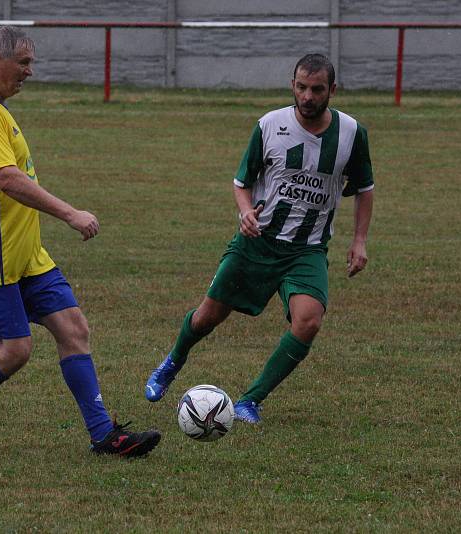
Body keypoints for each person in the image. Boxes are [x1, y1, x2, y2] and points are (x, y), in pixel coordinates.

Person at [0, 26, 160, 456]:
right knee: (14, 351)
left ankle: (104, 435)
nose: (30, 72)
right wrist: (70, 213)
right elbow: (7, 179)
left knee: (74, 329)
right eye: (25, 63)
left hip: (26, 255)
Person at [145, 54, 374, 424]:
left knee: (309, 321)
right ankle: (172, 362)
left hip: (307, 249)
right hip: (258, 243)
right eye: (301, 87)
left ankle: (250, 401)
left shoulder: (351, 133)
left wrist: (359, 240)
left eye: (317, 89)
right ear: (292, 86)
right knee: (206, 317)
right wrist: (245, 211)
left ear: (332, 90)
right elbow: (241, 183)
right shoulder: (270, 125)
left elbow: (364, 187)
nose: (308, 96)